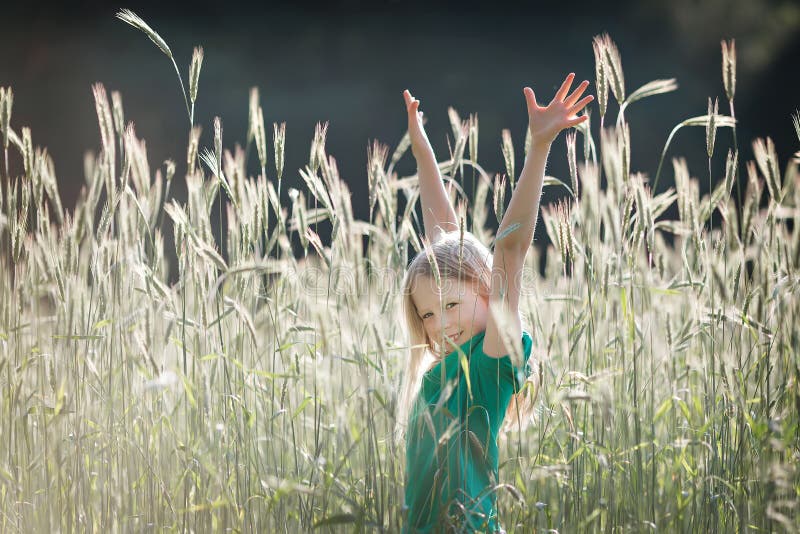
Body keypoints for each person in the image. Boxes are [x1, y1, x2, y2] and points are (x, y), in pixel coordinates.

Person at [396, 74, 593, 532]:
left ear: (488, 291)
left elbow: (509, 250)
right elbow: (443, 242)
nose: (439, 324)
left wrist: (540, 146)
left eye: (449, 307)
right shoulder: (450, 366)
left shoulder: (488, 366)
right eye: (427, 314)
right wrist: (423, 151)